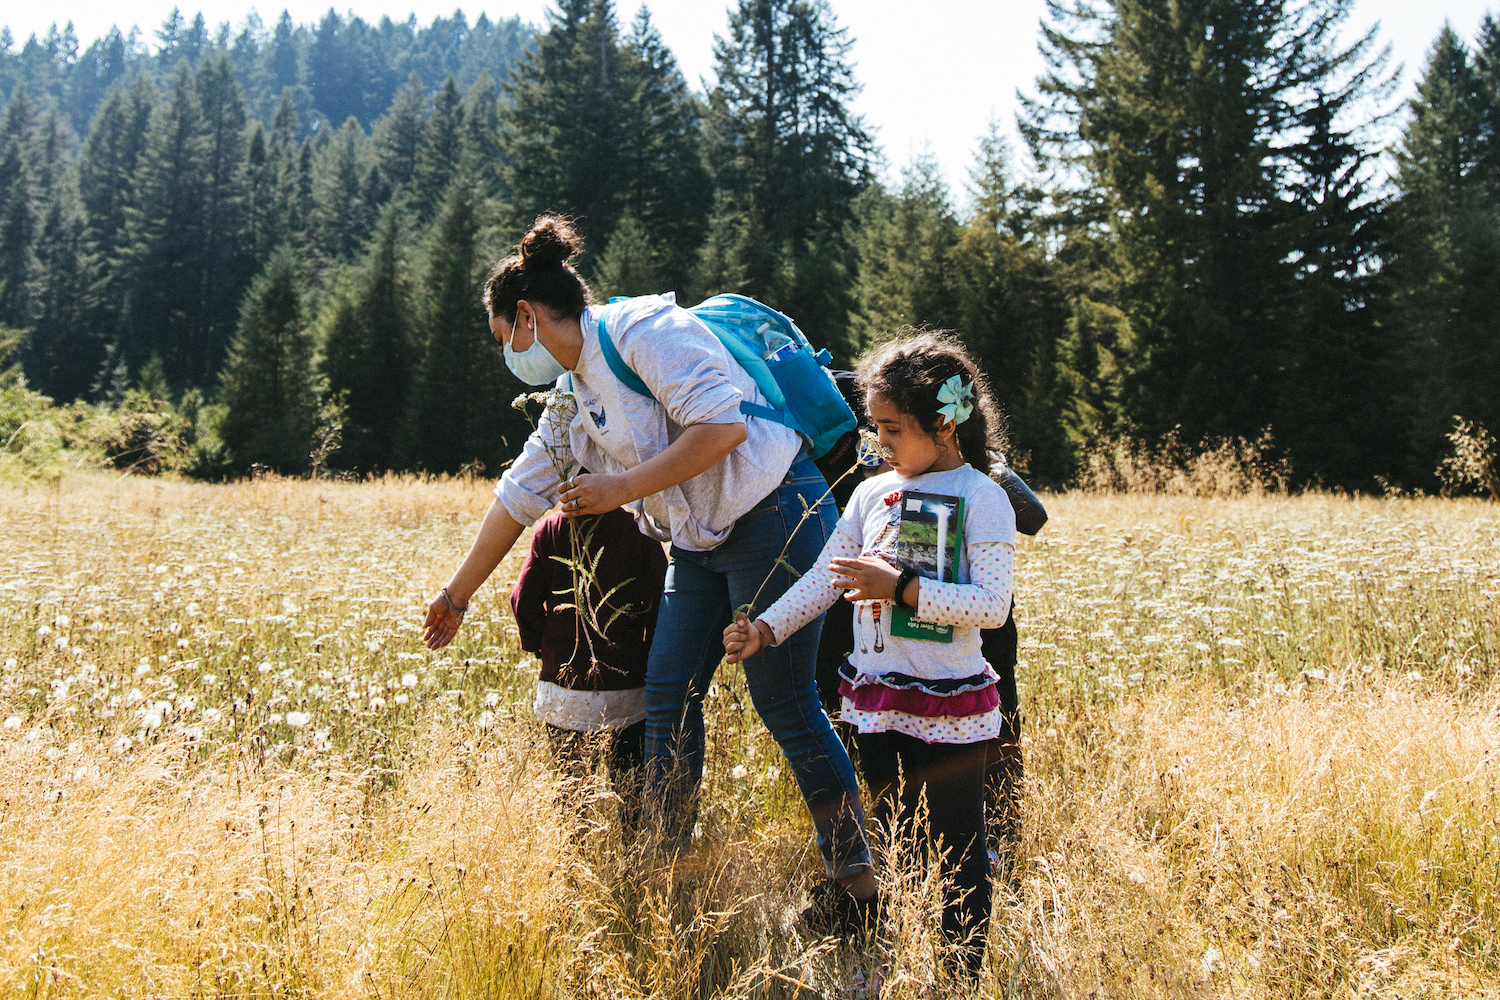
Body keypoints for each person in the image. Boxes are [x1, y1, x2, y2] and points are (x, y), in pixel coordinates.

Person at [421, 215, 874, 903]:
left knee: (783, 701)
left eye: (505, 339)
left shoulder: (644, 333)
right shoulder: (572, 393)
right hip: (698, 544)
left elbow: (722, 428)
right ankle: (663, 877)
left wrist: (620, 489)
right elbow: (519, 495)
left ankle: (854, 880)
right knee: (668, 694)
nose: (509, 355)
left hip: (775, 510)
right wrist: (456, 595)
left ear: (526, 315)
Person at [724, 331, 1015, 979]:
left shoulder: (982, 499)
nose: (877, 441)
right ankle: (902, 966)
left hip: (951, 709)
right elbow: (828, 576)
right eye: (874, 426)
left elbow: (991, 607)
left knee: (961, 849)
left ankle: (959, 978)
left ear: (944, 424)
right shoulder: (867, 496)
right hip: (880, 704)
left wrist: (901, 588)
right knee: (898, 841)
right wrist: (766, 629)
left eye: (891, 427)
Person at [509, 503, 668, 832]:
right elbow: (662, 598)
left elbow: (522, 599)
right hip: (627, 687)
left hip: (563, 688)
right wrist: (649, 652)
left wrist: (543, 648)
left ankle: (572, 866)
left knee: (570, 793)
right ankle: (629, 860)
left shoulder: (550, 529)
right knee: (629, 790)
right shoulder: (639, 528)